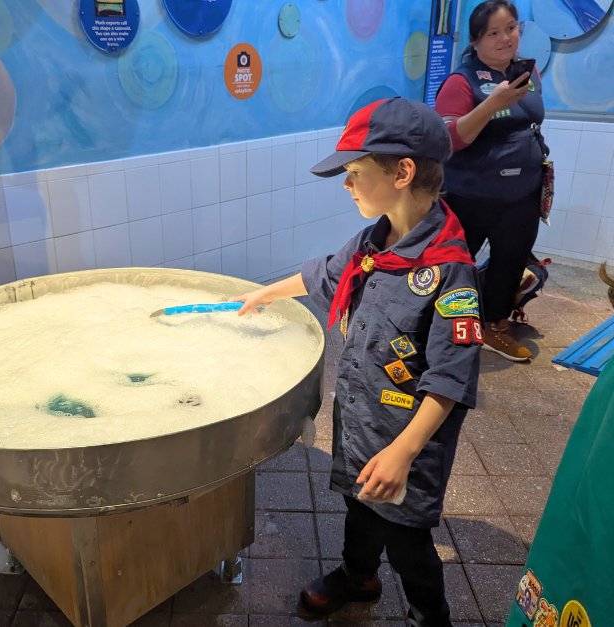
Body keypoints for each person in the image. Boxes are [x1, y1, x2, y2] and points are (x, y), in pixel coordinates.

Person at [233, 97, 481, 626]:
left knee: (408, 540)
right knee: (360, 512)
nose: (346, 185)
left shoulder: (449, 272)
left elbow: (449, 381)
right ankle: (358, 577)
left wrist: (403, 453)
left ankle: (429, 615)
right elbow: (324, 273)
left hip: (406, 442)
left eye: (353, 173)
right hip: (361, 426)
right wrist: (264, 295)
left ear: (403, 172)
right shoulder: (374, 241)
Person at [434, 0, 546, 362]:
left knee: (509, 263)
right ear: (476, 40)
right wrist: (490, 104)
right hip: (470, 196)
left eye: (511, 28)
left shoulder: (527, 74)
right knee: (452, 267)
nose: (505, 39)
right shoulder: (460, 80)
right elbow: (449, 139)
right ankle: (436, 332)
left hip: (522, 193)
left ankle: (494, 325)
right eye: (493, 33)